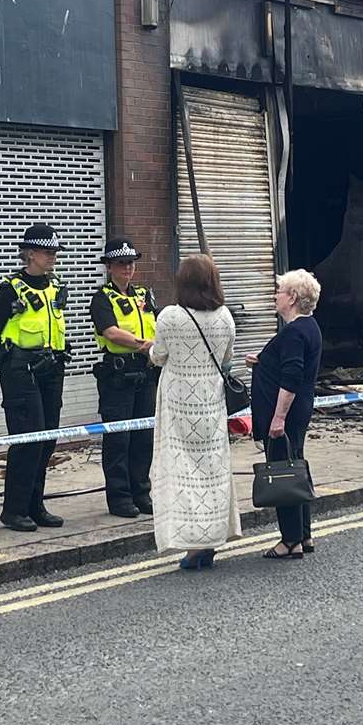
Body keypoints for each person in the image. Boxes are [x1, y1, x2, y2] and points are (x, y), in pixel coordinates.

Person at [148, 254, 242, 570]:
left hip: (177, 402)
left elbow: (159, 355)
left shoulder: (170, 317)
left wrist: (146, 348)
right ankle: (212, 540)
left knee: (179, 471)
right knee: (212, 470)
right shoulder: (225, 317)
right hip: (211, 402)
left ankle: (189, 543)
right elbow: (228, 359)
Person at [0, 224, 70, 533]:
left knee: (47, 440)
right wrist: (11, 364)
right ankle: (14, 509)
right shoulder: (10, 291)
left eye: (55, 253)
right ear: (30, 254)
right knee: (27, 440)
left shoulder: (55, 287)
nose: (53, 258)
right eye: (48, 253)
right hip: (22, 374)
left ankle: (35, 505)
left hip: (51, 371)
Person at [246, 269, 323, 561]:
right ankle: (304, 534)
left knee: (283, 473)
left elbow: (291, 376)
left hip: (285, 417)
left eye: (279, 291)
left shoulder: (293, 332)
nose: (275, 296)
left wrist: (278, 419)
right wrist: (263, 359)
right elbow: (288, 364)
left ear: (291, 298)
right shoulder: (309, 327)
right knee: (296, 467)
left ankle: (289, 541)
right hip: (299, 412)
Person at [90, 238, 158, 519]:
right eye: (121, 264)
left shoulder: (144, 295)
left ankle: (141, 492)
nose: (128, 268)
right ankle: (119, 498)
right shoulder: (102, 298)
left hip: (145, 372)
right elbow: (111, 332)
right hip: (118, 375)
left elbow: (158, 321)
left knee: (143, 437)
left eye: (131, 263)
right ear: (109, 267)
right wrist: (144, 345)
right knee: (119, 439)